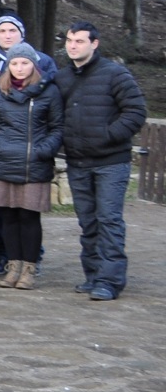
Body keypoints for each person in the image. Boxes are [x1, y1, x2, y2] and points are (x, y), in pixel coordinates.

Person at [53, 21, 147, 301]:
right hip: (78, 162)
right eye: (69, 40)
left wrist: (108, 136)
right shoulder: (62, 78)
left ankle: (109, 280)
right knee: (88, 221)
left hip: (111, 162)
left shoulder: (115, 74)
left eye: (79, 41)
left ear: (94, 44)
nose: (73, 46)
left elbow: (135, 111)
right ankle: (93, 275)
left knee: (108, 219)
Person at [0, 44, 67, 291]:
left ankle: (29, 268)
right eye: (14, 63)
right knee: (8, 217)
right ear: (8, 66)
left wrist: (43, 150)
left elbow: (57, 127)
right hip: (2, 161)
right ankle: (13, 266)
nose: (19, 68)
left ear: (34, 65)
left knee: (28, 217)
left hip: (32, 163)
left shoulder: (48, 91)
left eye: (25, 63)